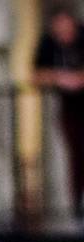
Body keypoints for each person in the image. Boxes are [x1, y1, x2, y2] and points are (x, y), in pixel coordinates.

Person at [34, 4, 84, 217]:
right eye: (58, 31)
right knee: (77, 154)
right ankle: (77, 203)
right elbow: (35, 75)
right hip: (70, 107)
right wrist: (60, 78)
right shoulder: (48, 44)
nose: (63, 35)